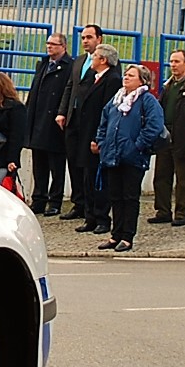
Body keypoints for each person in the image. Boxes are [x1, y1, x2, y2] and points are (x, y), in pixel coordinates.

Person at [95, 62, 165, 253]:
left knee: (130, 197)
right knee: (115, 197)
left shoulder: (147, 100)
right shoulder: (117, 99)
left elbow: (154, 126)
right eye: (125, 75)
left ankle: (127, 237)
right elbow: (104, 122)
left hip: (133, 157)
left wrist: (137, 146)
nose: (126, 78)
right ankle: (115, 234)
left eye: (131, 76)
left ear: (142, 80)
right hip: (112, 155)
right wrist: (102, 142)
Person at [59, 30, 122, 230]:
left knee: (98, 179)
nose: (92, 58)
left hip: (96, 135)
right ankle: (90, 217)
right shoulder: (92, 76)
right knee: (86, 175)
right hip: (82, 131)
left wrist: (98, 137)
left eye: (95, 56)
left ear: (103, 60)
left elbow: (107, 111)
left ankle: (102, 218)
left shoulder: (112, 79)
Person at [55, 25, 108, 221]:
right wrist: (62, 111)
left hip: (90, 120)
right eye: (83, 37)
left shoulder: (107, 62)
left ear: (99, 39)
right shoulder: (78, 61)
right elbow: (70, 86)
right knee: (73, 160)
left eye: (89, 37)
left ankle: (90, 204)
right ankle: (78, 203)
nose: (85, 41)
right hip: (73, 116)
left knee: (87, 163)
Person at [150, 49, 185, 225]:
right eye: (171, 61)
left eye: (177, 61)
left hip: (184, 137)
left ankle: (181, 214)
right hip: (166, 135)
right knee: (161, 176)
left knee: (183, 179)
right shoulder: (167, 86)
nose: (173, 65)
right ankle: (162, 211)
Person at [26, 33, 75, 215]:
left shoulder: (69, 66)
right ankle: (39, 198)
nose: (49, 47)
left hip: (55, 121)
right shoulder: (43, 64)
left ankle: (55, 201)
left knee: (56, 165)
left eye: (53, 44)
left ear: (63, 46)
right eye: (48, 44)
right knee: (39, 165)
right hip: (38, 119)